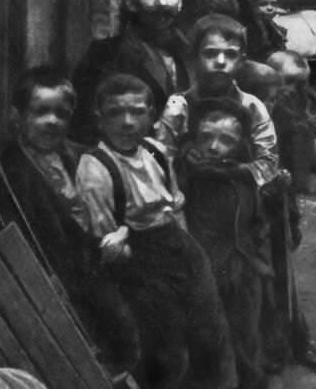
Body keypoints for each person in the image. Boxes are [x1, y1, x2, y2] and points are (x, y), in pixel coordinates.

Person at [75, 73, 234, 389]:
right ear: (100, 119)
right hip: (137, 255)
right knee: (166, 347)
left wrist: (189, 250)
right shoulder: (95, 168)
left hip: (176, 242)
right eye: (116, 113)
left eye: (137, 112)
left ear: (150, 115)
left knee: (209, 328)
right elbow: (105, 241)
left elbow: (174, 205)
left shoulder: (156, 151)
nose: (128, 122)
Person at [1, 68, 138, 377]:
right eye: (40, 112)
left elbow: (122, 205)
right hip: (56, 274)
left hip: (100, 260)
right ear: (18, 116)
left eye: (61, 114)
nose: (52, 121)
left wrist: (122, 232)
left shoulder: (81, 157)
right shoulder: (11, 173)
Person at [178, 98, 274, 389]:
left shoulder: (244, 174)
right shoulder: (187, 175)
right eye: (206, 138)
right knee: (211, 335)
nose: (214, 147)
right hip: (205, 265)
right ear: (194, 138)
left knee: (245, 328)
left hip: (242, 265)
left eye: (226, 140)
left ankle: (249, 378)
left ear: (240, 143)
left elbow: (257, 218)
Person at [239, 54, 316, 372]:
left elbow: (288, 170)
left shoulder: (278, 120)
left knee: (283, 281)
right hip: (245, 217)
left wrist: (291, 214)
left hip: (275, 212)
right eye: (270, 99)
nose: (274, 104)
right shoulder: (235, 127)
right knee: (256, 286)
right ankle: (270, 348)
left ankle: (296, 341)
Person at [156, 14, 280, 190]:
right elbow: (161, 160)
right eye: (210, 53)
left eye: (230, 54)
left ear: (241, 60)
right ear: (194, 57)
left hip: (240, 197)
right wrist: (183, 158)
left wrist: (232, 172)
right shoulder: (178, 107)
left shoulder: (252, 106)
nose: (221, 62)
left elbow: (269, 163)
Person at [73, 0, 191, 139]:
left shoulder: (190, 53)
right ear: (131, 3)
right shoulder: (105, 54)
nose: (162, 3)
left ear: (179, 2)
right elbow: (87, 123)